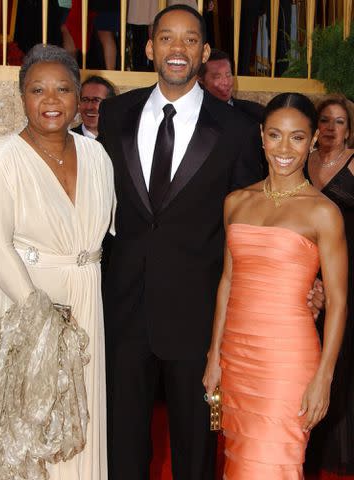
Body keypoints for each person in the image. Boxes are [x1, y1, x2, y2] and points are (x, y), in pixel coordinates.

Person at [98, 5, 322, 479]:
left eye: (189, 40)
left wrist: (306, 282)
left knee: (195, 457)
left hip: (201, 321)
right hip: (124, 313)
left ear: (203, 51)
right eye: (166, 38)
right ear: (149, 46)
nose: (176, 49)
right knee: (123, 452)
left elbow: (266, 215)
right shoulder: (116, 113)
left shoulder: (239, 128)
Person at [0, 44, 114, 480]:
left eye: (63, 89)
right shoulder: (1, 158)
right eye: (38, 90)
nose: (51, 101)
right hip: (23, 305)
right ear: (22, 96)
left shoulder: (97, 157)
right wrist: (41, 313)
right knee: (22, 424)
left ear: (79, 96)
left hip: (84, 304)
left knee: (75, 419)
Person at [203, 92, 348, 479]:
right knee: (239, 462)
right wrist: (214, 356)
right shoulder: (236, 201)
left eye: (297, 137)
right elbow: (228, 281)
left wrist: (324, 378)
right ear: (261, 136)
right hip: (236, 358)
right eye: (275, 135)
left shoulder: (323, 212)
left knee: (270, 465)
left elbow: (338, 302)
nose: (284, 148)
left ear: (314, 139)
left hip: (287, 361)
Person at [305, 95, 354, 475]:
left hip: (346, 273)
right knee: (311, 354)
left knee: (343, 359)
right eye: (325, 120)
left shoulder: (353, 163)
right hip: (307, 272)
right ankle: (311, 445)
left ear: (349, 129)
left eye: (339, 122)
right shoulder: (302, 162)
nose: (331, 128)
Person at [198, 48, 264, 123]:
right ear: (201, 81)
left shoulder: (254, 112)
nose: (226, 82)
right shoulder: (193, 116)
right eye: (217, 77)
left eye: (228, 75)